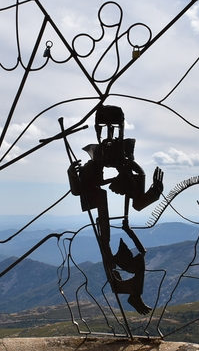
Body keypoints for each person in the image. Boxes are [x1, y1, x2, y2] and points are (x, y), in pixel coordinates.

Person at [66, 105, 164, 314]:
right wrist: (72, 176)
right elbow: (78, 191)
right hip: (105, 229)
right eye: (103, 128)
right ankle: (127, 291)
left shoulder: (131, 167)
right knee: (113, 263)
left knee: (140, 257)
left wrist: (154, 193)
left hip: (122, 226)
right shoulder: (92, 166)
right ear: (97, 130)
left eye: (115, 128)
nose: (109, 134)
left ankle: (133, 294)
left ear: (121, 130)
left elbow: (137, 203)